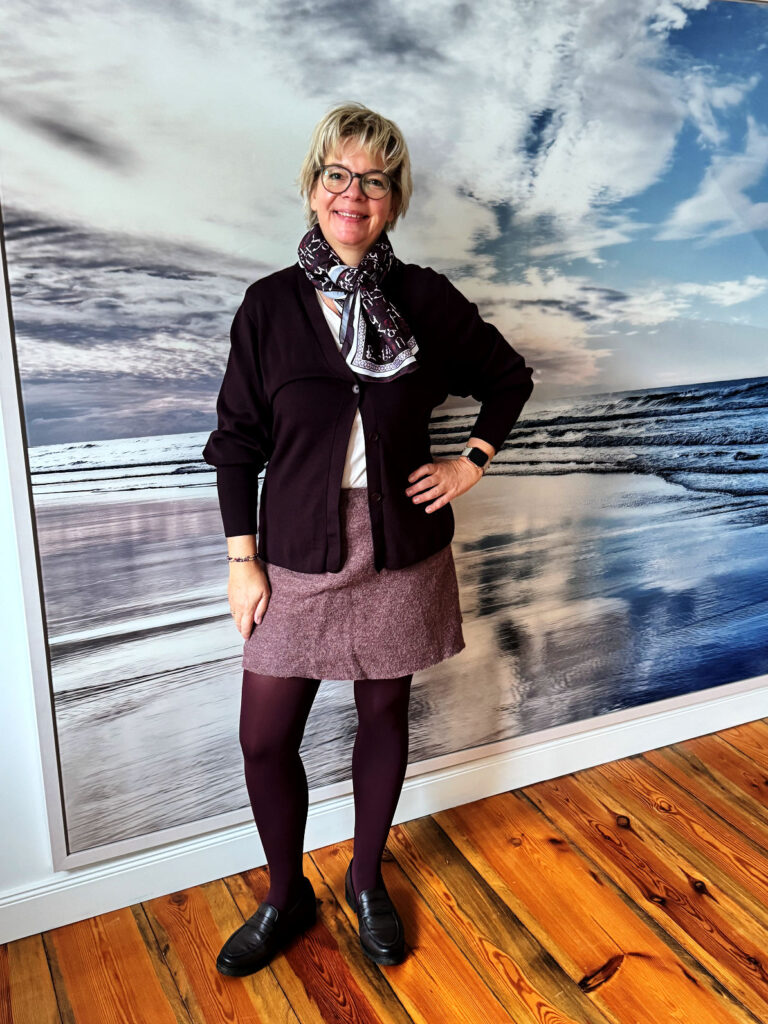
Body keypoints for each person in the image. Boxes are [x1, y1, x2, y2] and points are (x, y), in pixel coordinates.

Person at [202, 101, 535, 977]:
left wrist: (470, 462)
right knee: (265, 739)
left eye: (375, 180)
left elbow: (507, 377)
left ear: (394, 198)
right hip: (295, 553)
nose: (354, 194)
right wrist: (242, 560)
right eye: (338, 175)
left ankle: (364, 879)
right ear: (314, 188)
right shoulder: (269, 307)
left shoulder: (422, 297)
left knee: (383, 713)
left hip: (402, 548)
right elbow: (237, 439)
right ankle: (285, 893)